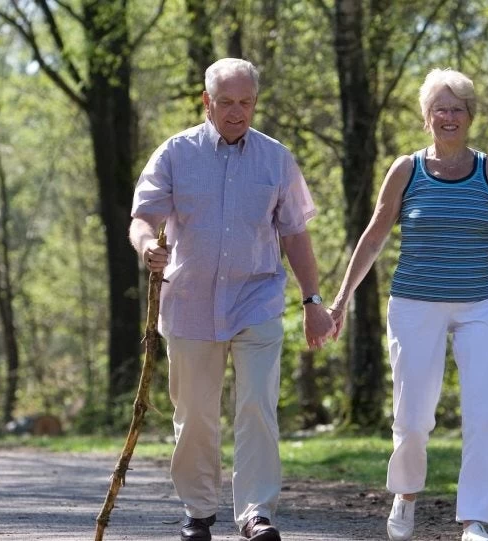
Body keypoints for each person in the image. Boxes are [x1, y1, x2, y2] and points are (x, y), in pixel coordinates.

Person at [327, 68, 488, 541]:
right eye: (439, 109)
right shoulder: (407, 169)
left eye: (457, 108)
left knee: (483, 412)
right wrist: (342, 298)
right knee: (414, 415)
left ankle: (475, 519)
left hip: (479, 303)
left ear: (470, 116)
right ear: (426, 117)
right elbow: (375, 236)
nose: (448, 116)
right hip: (414, 304)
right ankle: (405, 495)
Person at [129, 58, 335, 541]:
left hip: (256, 298)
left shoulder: (276, 159)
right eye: (226, 102)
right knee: (196, 414)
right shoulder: (175, 154)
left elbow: (296, 235)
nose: (237, 112)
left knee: (257, 407)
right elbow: (142, 217)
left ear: (255, 103)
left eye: (245, 102)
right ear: (207, 102)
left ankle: (256, 513)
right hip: (189, 303)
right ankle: (199, 511)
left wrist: (313, 300)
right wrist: (147, 247)